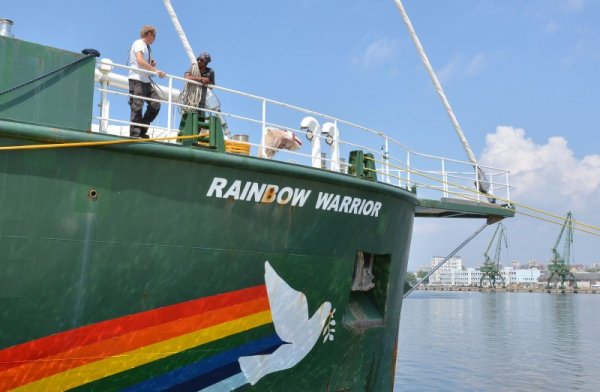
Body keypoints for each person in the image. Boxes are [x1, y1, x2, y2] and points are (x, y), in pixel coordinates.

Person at [128, 25, 166, 138]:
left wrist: (151, 65)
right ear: (149, 34)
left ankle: (142, 129)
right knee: (137, 106)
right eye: (154, 36)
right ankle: (135, 134)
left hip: (145, 80)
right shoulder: (139, 43)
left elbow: (143, 63)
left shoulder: (147, 47)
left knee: (155, 104)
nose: (155, 39)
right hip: (137, 79)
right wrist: (155, 70)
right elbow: (139, 60)